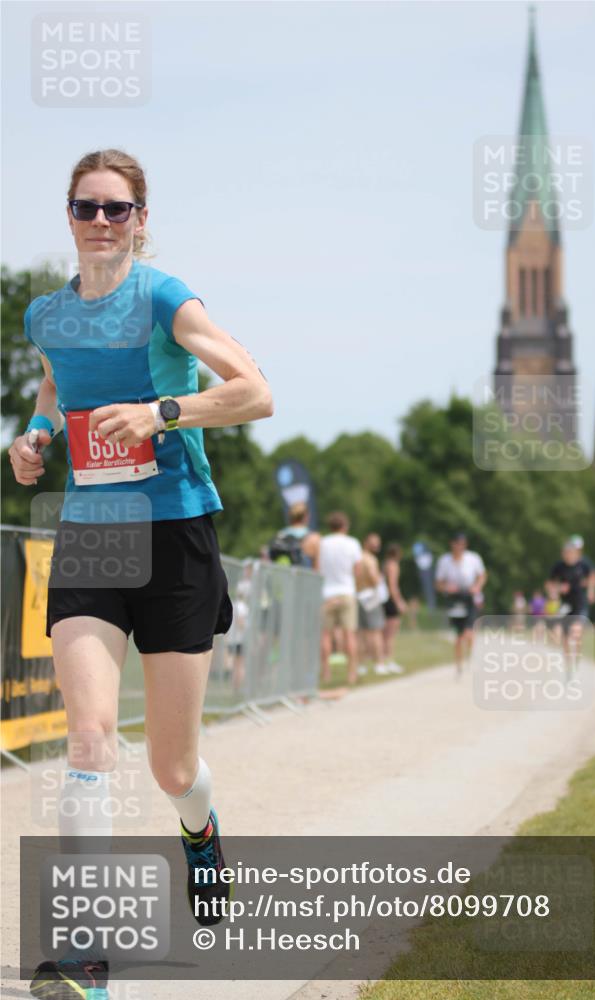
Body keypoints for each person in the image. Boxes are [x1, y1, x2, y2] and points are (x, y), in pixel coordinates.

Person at [8, 149, 273, 999]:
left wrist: (161, 413)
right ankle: (85, 955)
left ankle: (199, 829)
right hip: (93, 531)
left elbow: (256, 391)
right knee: (86, 737)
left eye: (117, 209)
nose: (99, 222)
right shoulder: (46, 315)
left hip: (176, 535)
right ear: (70, 217)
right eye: (85, 207)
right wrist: (36, 437)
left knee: (170, 765)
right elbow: (53, 391)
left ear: (141, 219)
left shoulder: (164, 297)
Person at [319, 512, 363, 686]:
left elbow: (318, 567)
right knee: (349, 634)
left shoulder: (323, 543)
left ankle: (326, 672)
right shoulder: (353, 543)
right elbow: (358, 570)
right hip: (346, 590)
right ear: (345, 526)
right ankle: (351, 673)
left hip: (327, 592)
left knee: (326, 635)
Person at [435, 531, 487, 674]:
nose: (460, 547)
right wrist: (446, 587)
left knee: (469, 632)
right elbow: (438, 583)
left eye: (463, 544)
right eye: (457, 544)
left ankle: (472, 657)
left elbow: (482, 576)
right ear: (452, 544)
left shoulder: (473, 558)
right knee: (458, 635)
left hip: (469, 597)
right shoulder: (444, 561)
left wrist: (477, 587)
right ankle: (459, 664)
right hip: (454, 599)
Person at [547, 538, 595, 655]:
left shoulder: (583, 564)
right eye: (565, 553)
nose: (567, 555)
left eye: (569, 552)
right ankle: (568, 661)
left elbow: (593, 576)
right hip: (565, 604)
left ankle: (577, 656)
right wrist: (556, 591)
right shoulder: (559, 566)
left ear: (575, 553)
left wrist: (591, 590)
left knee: (576, 630)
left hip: (580, 602)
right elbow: (550, 583)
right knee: (564, 634)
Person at [356, 533, 389, 676]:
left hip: (358, 595)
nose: (377, 546)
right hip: (370, 596)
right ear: (367, 543)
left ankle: (361, 664)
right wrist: (379, 579)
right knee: (376, 632)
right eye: (374, 543)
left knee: (361, 633)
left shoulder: (357, 558)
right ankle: (379, 664)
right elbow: (374, 579)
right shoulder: (370, 559)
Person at [270, 500, 320, 568]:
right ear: (306, 516)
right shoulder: (313, 538)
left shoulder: (280, 535)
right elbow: (317, 567)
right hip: (304, 577)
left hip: (284, 576)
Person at [382, 543, 407, 673]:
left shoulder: (385, 564)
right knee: (390, 633)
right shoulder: (393, 565)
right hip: (390, 601)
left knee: (385, 633)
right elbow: (392, 586)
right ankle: (389, 661)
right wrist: (399, 602)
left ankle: (384, 659)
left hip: (385, 600)